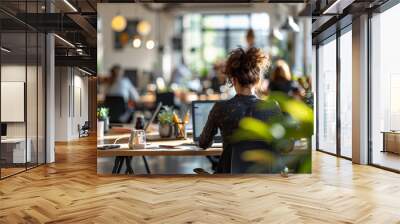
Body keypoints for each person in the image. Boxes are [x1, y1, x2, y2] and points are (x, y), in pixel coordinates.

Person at [198, 47, 281, 173]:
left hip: (229, 182)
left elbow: (203, 143)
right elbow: (287, 146)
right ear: (258, 80)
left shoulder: (220, 108)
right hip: (265, 182)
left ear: (233, 79)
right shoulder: (272, 107)